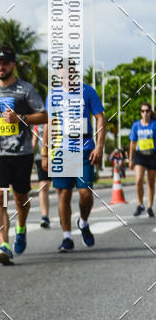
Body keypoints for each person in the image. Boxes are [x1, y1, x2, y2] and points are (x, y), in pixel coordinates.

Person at [0, 46, 48, 265]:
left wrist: (21, 118)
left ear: (13, 65)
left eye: (5, 62)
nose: (1, 66)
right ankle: (3, 244)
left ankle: (21, 226)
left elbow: (44, 115)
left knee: (20, 198)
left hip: (21, 153)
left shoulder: (25, 89)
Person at [47, 60, 105, 252]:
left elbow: (100, 118)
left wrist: (100, 146)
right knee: (63, 193)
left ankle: (84, 221)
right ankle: (67, 237)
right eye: (63, 70)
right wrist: (46, 153)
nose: (68, 74)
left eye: (71, 70)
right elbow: (49, 123)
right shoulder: (54, 95)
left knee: (85, 193)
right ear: (58, 72)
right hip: (62, 149)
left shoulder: (87, 91)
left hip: (85, 147)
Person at [129, 102, 156, 217]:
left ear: (150, 112)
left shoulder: (154, 125)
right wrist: (130, 159)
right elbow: (132, 143)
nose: (145, 113)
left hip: (152, 155)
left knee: (150, 182)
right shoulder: (136, 126)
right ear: (140, 112)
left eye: (147, 111)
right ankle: (140, 205)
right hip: (140, 156)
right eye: (143, 111)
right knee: (139, 180)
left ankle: (150, 207)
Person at [32, 123, 51, 228]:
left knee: (62, 190)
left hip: (59, 156)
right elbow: (34, 139)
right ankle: (44, 216)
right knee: (43, 186)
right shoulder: (38, 120)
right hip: (41, 157)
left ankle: (64, 215)